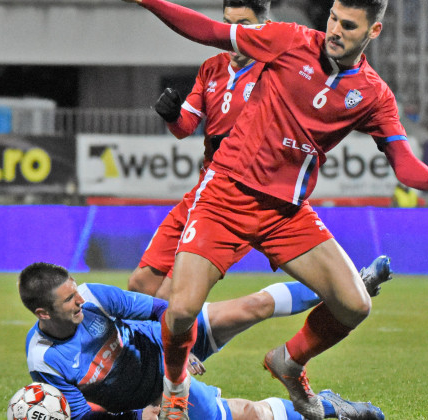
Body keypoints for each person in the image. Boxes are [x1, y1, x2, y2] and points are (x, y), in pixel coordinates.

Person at [119, 1, 428, 419]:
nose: (335, 30)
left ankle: (288, 362)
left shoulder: (373, 94)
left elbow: (403, 163)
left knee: (354, 304)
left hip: (286, 213)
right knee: (180, 310)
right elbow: (207, 31)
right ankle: (175, 392)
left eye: (348, 25)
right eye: (332, 18)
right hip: (226, 196)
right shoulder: (287, 40)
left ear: (373, 31)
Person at [128, 0, 389, 302]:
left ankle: (350, 285)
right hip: (210, 187)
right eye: (229, 22)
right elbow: (184, 127)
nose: (235, 32)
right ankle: (164, 345)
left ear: (262, 29)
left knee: (177, 298)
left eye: (244, 24)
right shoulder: (212, 69)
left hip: (251, 195)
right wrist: (172, 115)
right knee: (142, 284)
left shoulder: (277, 65)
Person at [19, 262, 387, 420]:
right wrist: (141, 413)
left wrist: (176, 348)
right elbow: (82, 416)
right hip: (157, 394)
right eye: (68, 301)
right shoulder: (43, 360)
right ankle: (328, 407)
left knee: (253, 305)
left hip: (164, 343)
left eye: (74, 292)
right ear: (43, 314)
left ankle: (350, 282)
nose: (79, 300)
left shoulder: (93, 297)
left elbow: (160, 309)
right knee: (243, 414)